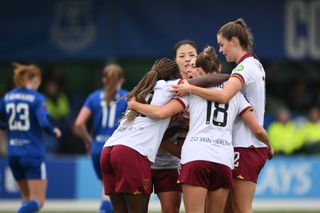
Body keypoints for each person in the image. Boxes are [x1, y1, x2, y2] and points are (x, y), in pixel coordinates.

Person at [128, 46, 272, 213]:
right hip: (223, 159)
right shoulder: (236, 94)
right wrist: (268, 145)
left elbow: (163, 112)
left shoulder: (188, 92)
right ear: (218, 68)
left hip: (195, 157)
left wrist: (135, 106)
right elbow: (257, 128)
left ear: (197, 70)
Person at [172, 18, 273, 213]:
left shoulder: (242, 69)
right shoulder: (255, 64)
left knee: (241, 208)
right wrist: (267, 143)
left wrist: (190, 88)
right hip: (243, 146)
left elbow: (224, 95)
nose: (220, 50)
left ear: (234, 41)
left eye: (222, 44)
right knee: (229, 208)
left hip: (245, 145)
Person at [0, 63, 61, 213]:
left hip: (13, 153)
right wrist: (54, 131)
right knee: (38, 201)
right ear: (36, 80)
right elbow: (43, 122)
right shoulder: (37, 98)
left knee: (26, 199)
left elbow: (1, 126)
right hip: (32, 153)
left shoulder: (6, 98)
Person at [151, 39, 198, 213]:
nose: (187, 59)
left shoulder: (204, 91)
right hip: (145, 158)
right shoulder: (164, 88)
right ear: (175, 60)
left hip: (171, 164)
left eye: (192, 55)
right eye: (182, 56)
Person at [75, 63, 127, 213]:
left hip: (97, 148)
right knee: (113, 192)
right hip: (116, 148)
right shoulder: (126, 96)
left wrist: (88, 142)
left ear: (104, 79)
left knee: (107, 188)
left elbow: (79, 123)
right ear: (121, 80)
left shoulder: (93, 97)